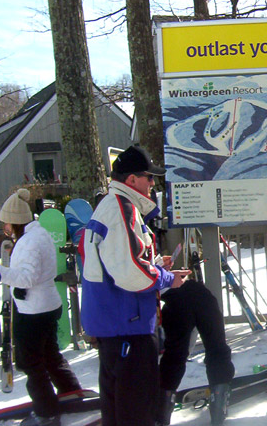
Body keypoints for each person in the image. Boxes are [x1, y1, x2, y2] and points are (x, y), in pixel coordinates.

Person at [80, 145, 189, 426]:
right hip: (128, 325)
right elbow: (129, 272)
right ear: (131, 180)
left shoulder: (111, 205)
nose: (153, 183)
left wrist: (153, 264)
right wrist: (166, 278)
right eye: (148, 176)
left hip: (115, 325)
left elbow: (120, 260)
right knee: (135, 410)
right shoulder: (121, 208)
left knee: (117, 410)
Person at [0, 188, 82, 426]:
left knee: (31, 362)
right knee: (50, 356)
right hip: (43, 305)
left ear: (15, 221)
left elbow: (27, 278)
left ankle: (47, 411)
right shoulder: (37, 235)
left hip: (34, 311)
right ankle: (72, 394)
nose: (5, 228)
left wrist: (0, 273)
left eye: (7, 223)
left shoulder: (29, 241)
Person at [158, 278, 235, 425]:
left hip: (174, 298)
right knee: (217, 349)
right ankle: (219, 405)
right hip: (199, 296)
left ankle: (161, 412)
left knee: (173, 356)